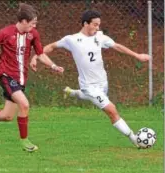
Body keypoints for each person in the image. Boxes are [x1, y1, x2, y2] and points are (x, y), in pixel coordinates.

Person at [31, 10, 151, 147]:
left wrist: (137, 56)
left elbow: (116, 46)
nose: (97, 28)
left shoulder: (99, 37)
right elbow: (51, 46)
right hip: (89, 86)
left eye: (98, 25)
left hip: (103, 82)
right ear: (85, 24)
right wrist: (36, 56)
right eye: (95, 24)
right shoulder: (72, 39)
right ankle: (135, 139)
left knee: (91, 97)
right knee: (112, 111)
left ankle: (73, 92)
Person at [0, 3, 64, 152]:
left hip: (21, 79)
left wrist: (53, 66)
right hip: (6, 75)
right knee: (25, 104)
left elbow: (41, 54)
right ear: (23, 21)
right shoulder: (6, 33)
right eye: (32, 23)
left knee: (7, 116)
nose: (34, 26)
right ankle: (25, 142)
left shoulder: (33, 34)